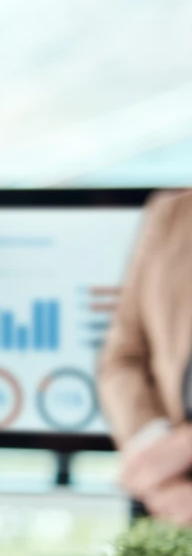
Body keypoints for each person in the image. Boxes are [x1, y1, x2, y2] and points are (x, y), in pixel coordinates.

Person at [99, 189, 192, 524]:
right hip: (167, 504)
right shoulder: (171, 215)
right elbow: (122, 359)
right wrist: (159, 478)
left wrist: (185, 445)